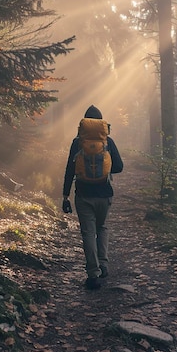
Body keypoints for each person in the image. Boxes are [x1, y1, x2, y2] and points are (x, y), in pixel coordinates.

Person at [62, 105, 124, 290]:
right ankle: (103, 265)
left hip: (83, 195)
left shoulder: (77, 143)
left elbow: (69, 171)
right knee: (102, 228)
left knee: (88, 233)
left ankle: (93, 274)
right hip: (104, 195)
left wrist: (65, 195)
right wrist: (105, 166)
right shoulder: (108, 142)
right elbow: (119, 167)